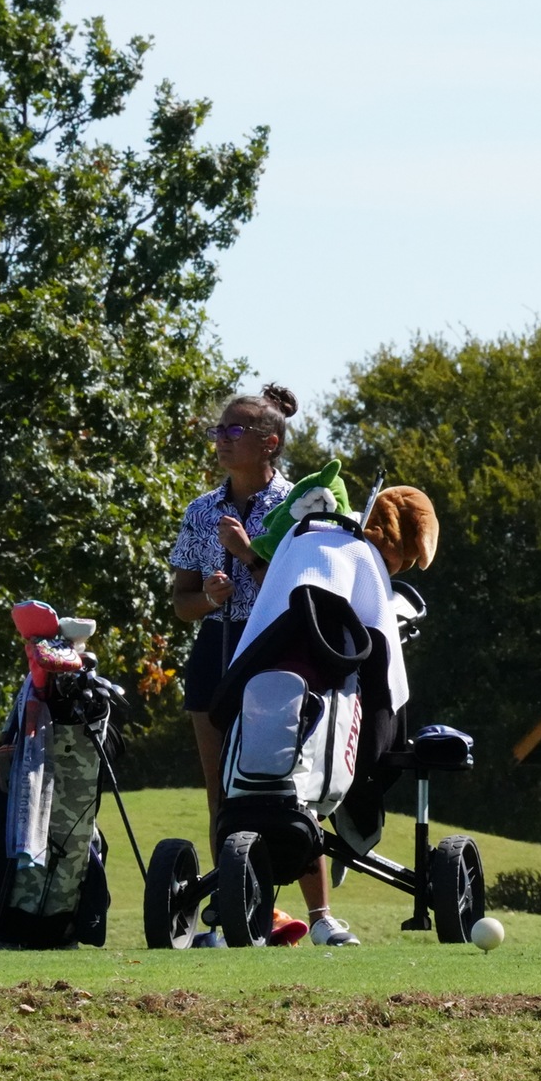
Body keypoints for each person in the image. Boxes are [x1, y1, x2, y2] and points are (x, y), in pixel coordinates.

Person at [167, 385, 356, 947]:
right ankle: (237, 912)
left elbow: (316, 585)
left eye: (235, 431)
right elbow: (182, 603)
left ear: (269, 442)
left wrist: (249, 555)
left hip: (281, 652)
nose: (221, 441)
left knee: (288, 785)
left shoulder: (304, 506)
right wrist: (210, 599)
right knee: (222, 794)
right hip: (215, 653)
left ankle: (320, 916)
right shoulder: (201, 511)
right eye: (218, 431)